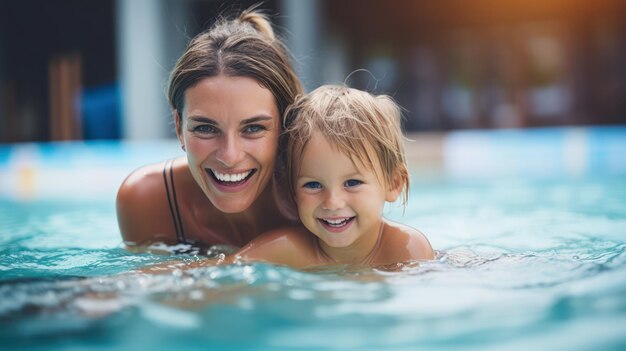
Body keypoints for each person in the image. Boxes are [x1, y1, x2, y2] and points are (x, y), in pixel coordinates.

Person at [116, 6, 303, 251]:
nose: (229, 156)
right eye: (205, 128)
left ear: (285, 126)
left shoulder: (318, 195)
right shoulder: (150, 200)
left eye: (254, 128)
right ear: (178, 126)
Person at [189, 85, 434, 268]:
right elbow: (211, 275)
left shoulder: (405, 249)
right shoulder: (286, 250)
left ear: (394, 183)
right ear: (291, 191)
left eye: (352, 183)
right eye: (313, 185)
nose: (332, 202)